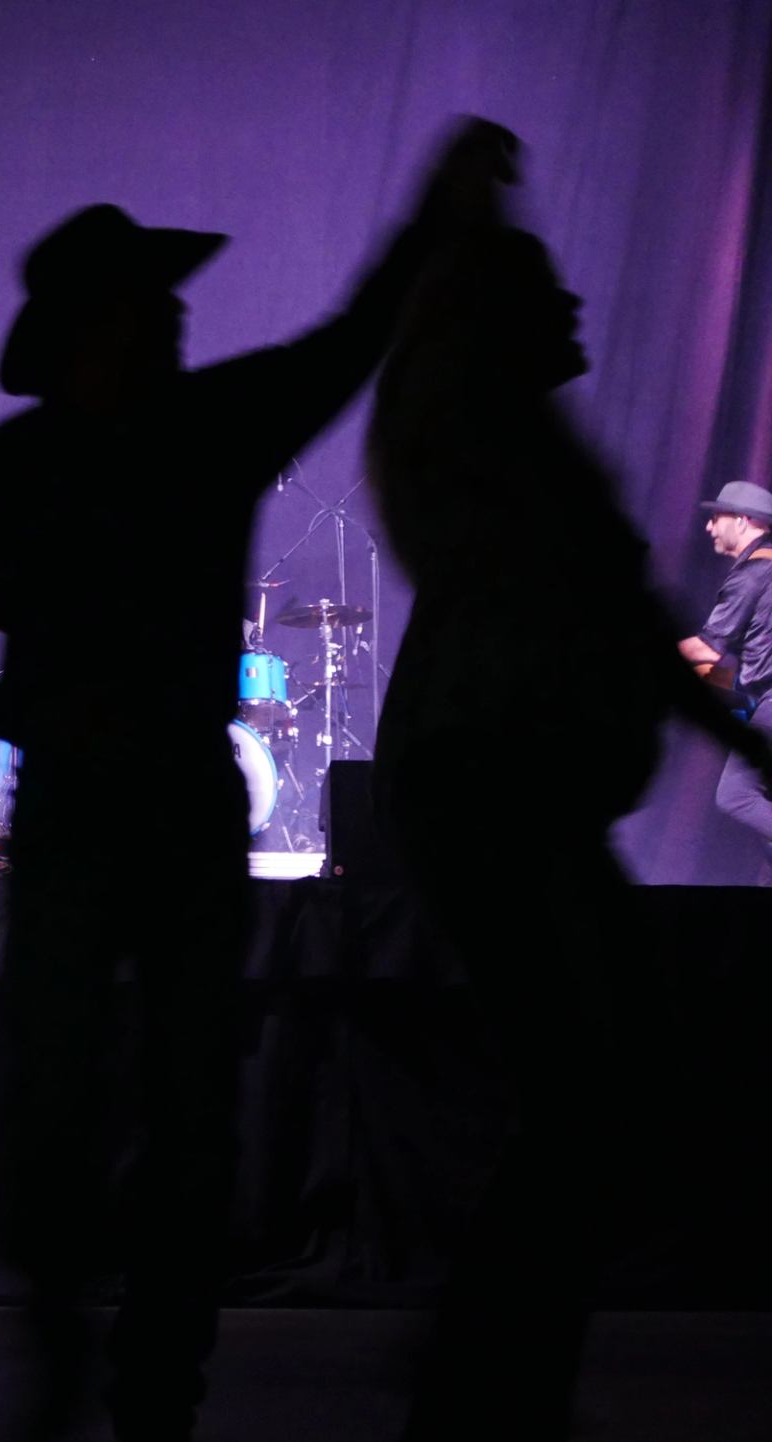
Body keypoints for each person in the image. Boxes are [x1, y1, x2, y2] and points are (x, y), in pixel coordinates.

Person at [0, 119, 517, 1442]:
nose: (177, 318)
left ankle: (109, 1372)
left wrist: (35, 715)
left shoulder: (28, 465)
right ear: (91, 326)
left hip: (117, 805)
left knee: (133, 1093)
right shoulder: (166, 441)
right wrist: (46, 715)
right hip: (132, 806)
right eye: (152, 305)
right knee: (155, 1098)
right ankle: (128, 1378)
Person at [369, 212, 772, 1440]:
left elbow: (637, 631)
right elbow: (626, 625)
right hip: (495, 803)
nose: (577, 312)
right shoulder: (487, 451)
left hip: (522, 806)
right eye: (548, 294)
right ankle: (486, 1377)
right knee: (598, 1086)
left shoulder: (530, 454)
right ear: (495, 324)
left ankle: (493, 1372)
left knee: (604, 1088)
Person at [677, 479, 772, 880]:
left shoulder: (753, 572)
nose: (709, 527)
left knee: (735, 796)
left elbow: (707, 649)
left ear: (744, 519)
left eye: (717, 517)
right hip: (762, 698)